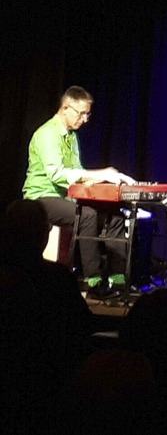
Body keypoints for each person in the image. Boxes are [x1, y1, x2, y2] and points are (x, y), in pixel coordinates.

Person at [22, 85, 136, 297]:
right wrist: (101, 173)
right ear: (65, 108)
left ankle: (118, 278)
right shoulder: (47, 134)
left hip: (67, 197)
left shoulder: (71, 137)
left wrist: (107, 181)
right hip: (41, 197)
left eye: (88, 114)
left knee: (115, 214)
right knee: (87, 215)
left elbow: (78, 172)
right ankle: (92, 281)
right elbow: (57, 174)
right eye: (81, 113)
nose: (85, 119)